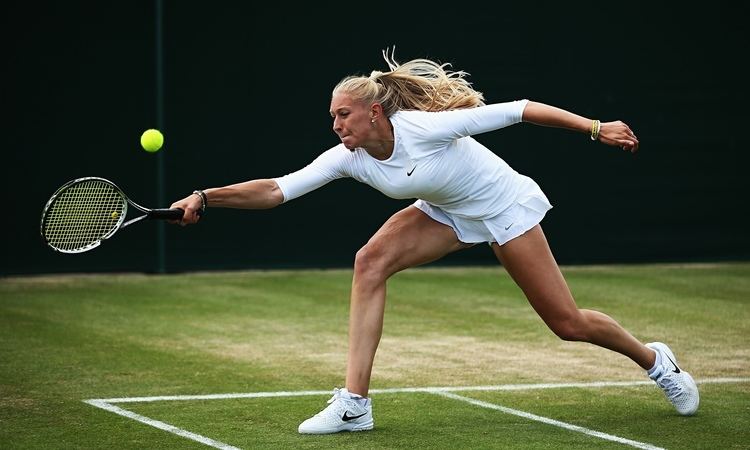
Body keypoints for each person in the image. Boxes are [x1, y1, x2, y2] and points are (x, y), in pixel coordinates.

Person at [170, 49, 699, 434]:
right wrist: (205, 196)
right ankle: (355, 403)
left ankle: (655, 361)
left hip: (501, 206)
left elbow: (521, 108)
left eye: (343, 114)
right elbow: (277, 190)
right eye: (332, 116)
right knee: (369, 262)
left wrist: (595, 128)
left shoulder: (424, 127)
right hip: (444, 212)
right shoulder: (348, 157)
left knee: (567, 323)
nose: (335, 125)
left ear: (374, 112)